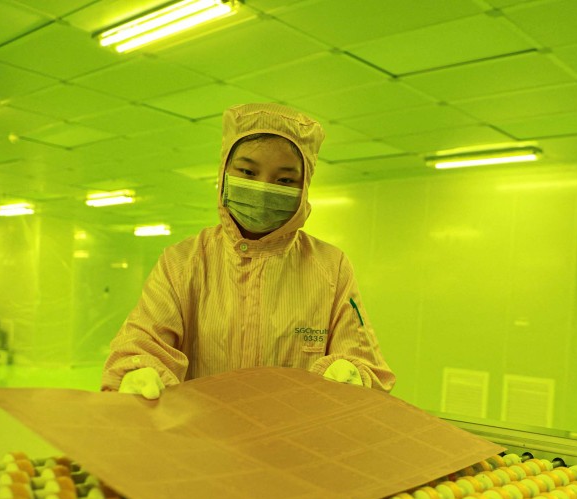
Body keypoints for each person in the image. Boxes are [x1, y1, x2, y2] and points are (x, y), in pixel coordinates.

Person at [101, 103, 395, 398]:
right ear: (224, 172)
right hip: (202, 435)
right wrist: (138, 371)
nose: (264, 189)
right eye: (248, 171)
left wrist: (355, 374)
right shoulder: (182, 262)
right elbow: (142, 343)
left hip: (293, 439)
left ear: (303, 185)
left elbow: (363, 360)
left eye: (284, 180)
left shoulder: (330, 267)